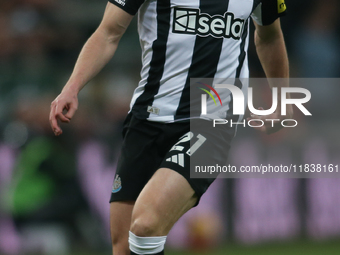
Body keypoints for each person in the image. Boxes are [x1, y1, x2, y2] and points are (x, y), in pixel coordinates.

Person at [49, 0, 291, 254]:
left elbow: (269, 35)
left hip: (212, 122)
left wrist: (281, 96)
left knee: (145, 224)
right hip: (146, 119)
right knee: (124, 247)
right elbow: (108, 32)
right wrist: (72, 87)